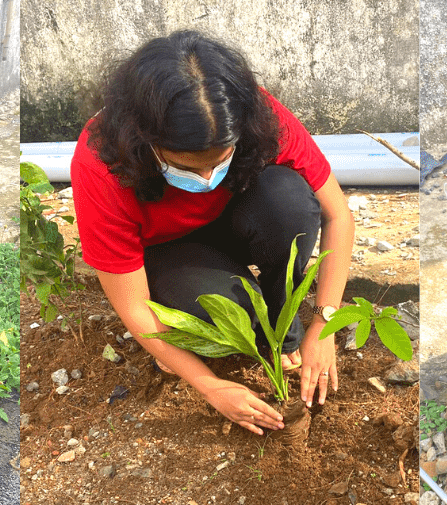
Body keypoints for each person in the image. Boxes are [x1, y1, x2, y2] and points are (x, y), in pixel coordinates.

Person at [71, 30, 355, 436]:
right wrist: (210, 386)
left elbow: (338, 216)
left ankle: (282, 324)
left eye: (219, 160)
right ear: (145, 141)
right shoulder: (102, 161)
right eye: (186, 166)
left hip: (235, 220)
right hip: (168, 250)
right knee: (223, 309)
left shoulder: (250, 112)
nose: (206, 177)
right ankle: (227, 314)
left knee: (288, 202)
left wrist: (324, 322)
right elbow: (134, 309)